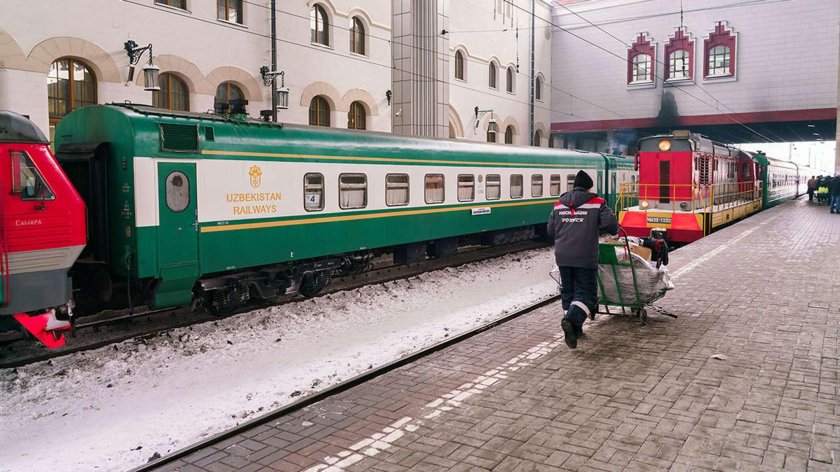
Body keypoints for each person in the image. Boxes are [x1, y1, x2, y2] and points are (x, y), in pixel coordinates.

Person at [547, 170, 618, 348]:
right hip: (585, 257)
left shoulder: (558, 205)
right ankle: (570, 321)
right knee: (587, 295)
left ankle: (575, 329)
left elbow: (551, 231)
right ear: (589, 187)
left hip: (563, 257)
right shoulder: (597, 203)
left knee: (569, 292)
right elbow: (612, 226)